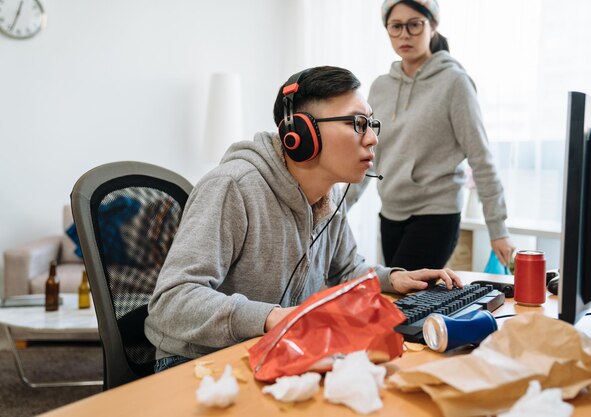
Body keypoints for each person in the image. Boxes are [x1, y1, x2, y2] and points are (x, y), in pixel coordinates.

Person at [145, 66, 462, 372]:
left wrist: (392, 278)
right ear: (301, 135)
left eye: (371, 124)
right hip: (197, 363)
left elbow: (346, 270)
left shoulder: (331, 195)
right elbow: (171, 302)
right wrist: (272, 317)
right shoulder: (233, 187)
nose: (372, 139)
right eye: (356, 123)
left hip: (277, 349)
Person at [347, 0, 515, 271]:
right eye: (396, 26)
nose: (404, 34)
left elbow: (480, 157)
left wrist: (498, 229)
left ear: (433, 25)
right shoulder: (380, 87)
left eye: (414, 25)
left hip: (436, 212)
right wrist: (337, 209)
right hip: (390, 212)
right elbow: (368, 152)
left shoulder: (454, 83)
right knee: (404, 301)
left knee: (403, 297)